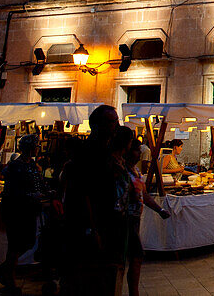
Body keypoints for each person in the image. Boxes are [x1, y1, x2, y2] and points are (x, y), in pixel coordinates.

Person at [61, 104, 125, 296]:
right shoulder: (88, 153)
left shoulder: (107, 152)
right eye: (112, 122)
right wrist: (92, 228)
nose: (116, 126)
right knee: (87, 277)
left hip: (104, 222)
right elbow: (83, 192)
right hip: (88, 225)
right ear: (97, 125)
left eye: (116, 121)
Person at [0, 134, 45, 294]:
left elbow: (38, 184)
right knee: (15, 244)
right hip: (16, 210)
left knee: (27, 242)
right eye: (36, 146)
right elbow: (12, 190)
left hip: (29, 209)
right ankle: (9, 277)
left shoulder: (32, 165)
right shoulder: (16, 166)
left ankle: (5, 269)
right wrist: (30, 195)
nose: (38, 148)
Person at [123, 132, 169, 296]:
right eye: (136, 150)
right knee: (131, 257)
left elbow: (144, 195)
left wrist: (160, 210)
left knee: (135, 257)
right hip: (122, 220)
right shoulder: (120, 171)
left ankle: (133, 291)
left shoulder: (135, 171)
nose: (139, 153)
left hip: (134, 220)